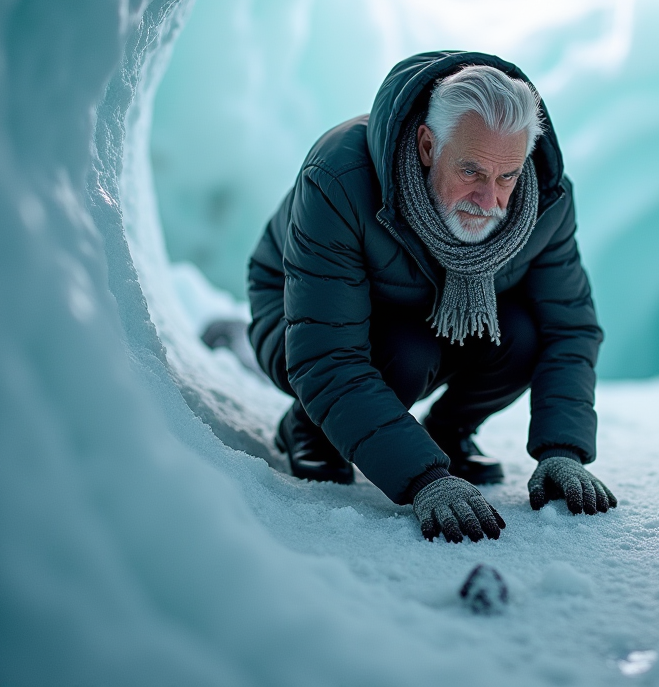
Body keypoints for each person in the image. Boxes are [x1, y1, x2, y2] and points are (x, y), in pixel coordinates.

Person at [247, 51, 616, 543]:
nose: (490, 200)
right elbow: (327, 353)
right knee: (405, 351)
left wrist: (562, 451)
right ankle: (309, 427)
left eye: (506, 176)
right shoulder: (339, 176)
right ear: (426, 144)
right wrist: (424, 479)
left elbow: (568, 326)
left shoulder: (544, 201)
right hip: (300, 318)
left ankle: (446, 434)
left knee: (522, 336)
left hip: (425, 311)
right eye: (471, 172)